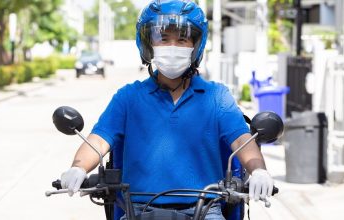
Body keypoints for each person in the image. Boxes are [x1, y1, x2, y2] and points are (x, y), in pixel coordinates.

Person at [60, 0, 274, 219]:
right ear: (149, 45)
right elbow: (98, 141)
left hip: (206, 208)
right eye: (163, 39)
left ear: (195, 46)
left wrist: (258, 170)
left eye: (182, 39)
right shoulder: (128, 97)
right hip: (139, 209)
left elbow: (242, 140)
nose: (172, 47)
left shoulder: (217, 96)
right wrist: (78, 168)